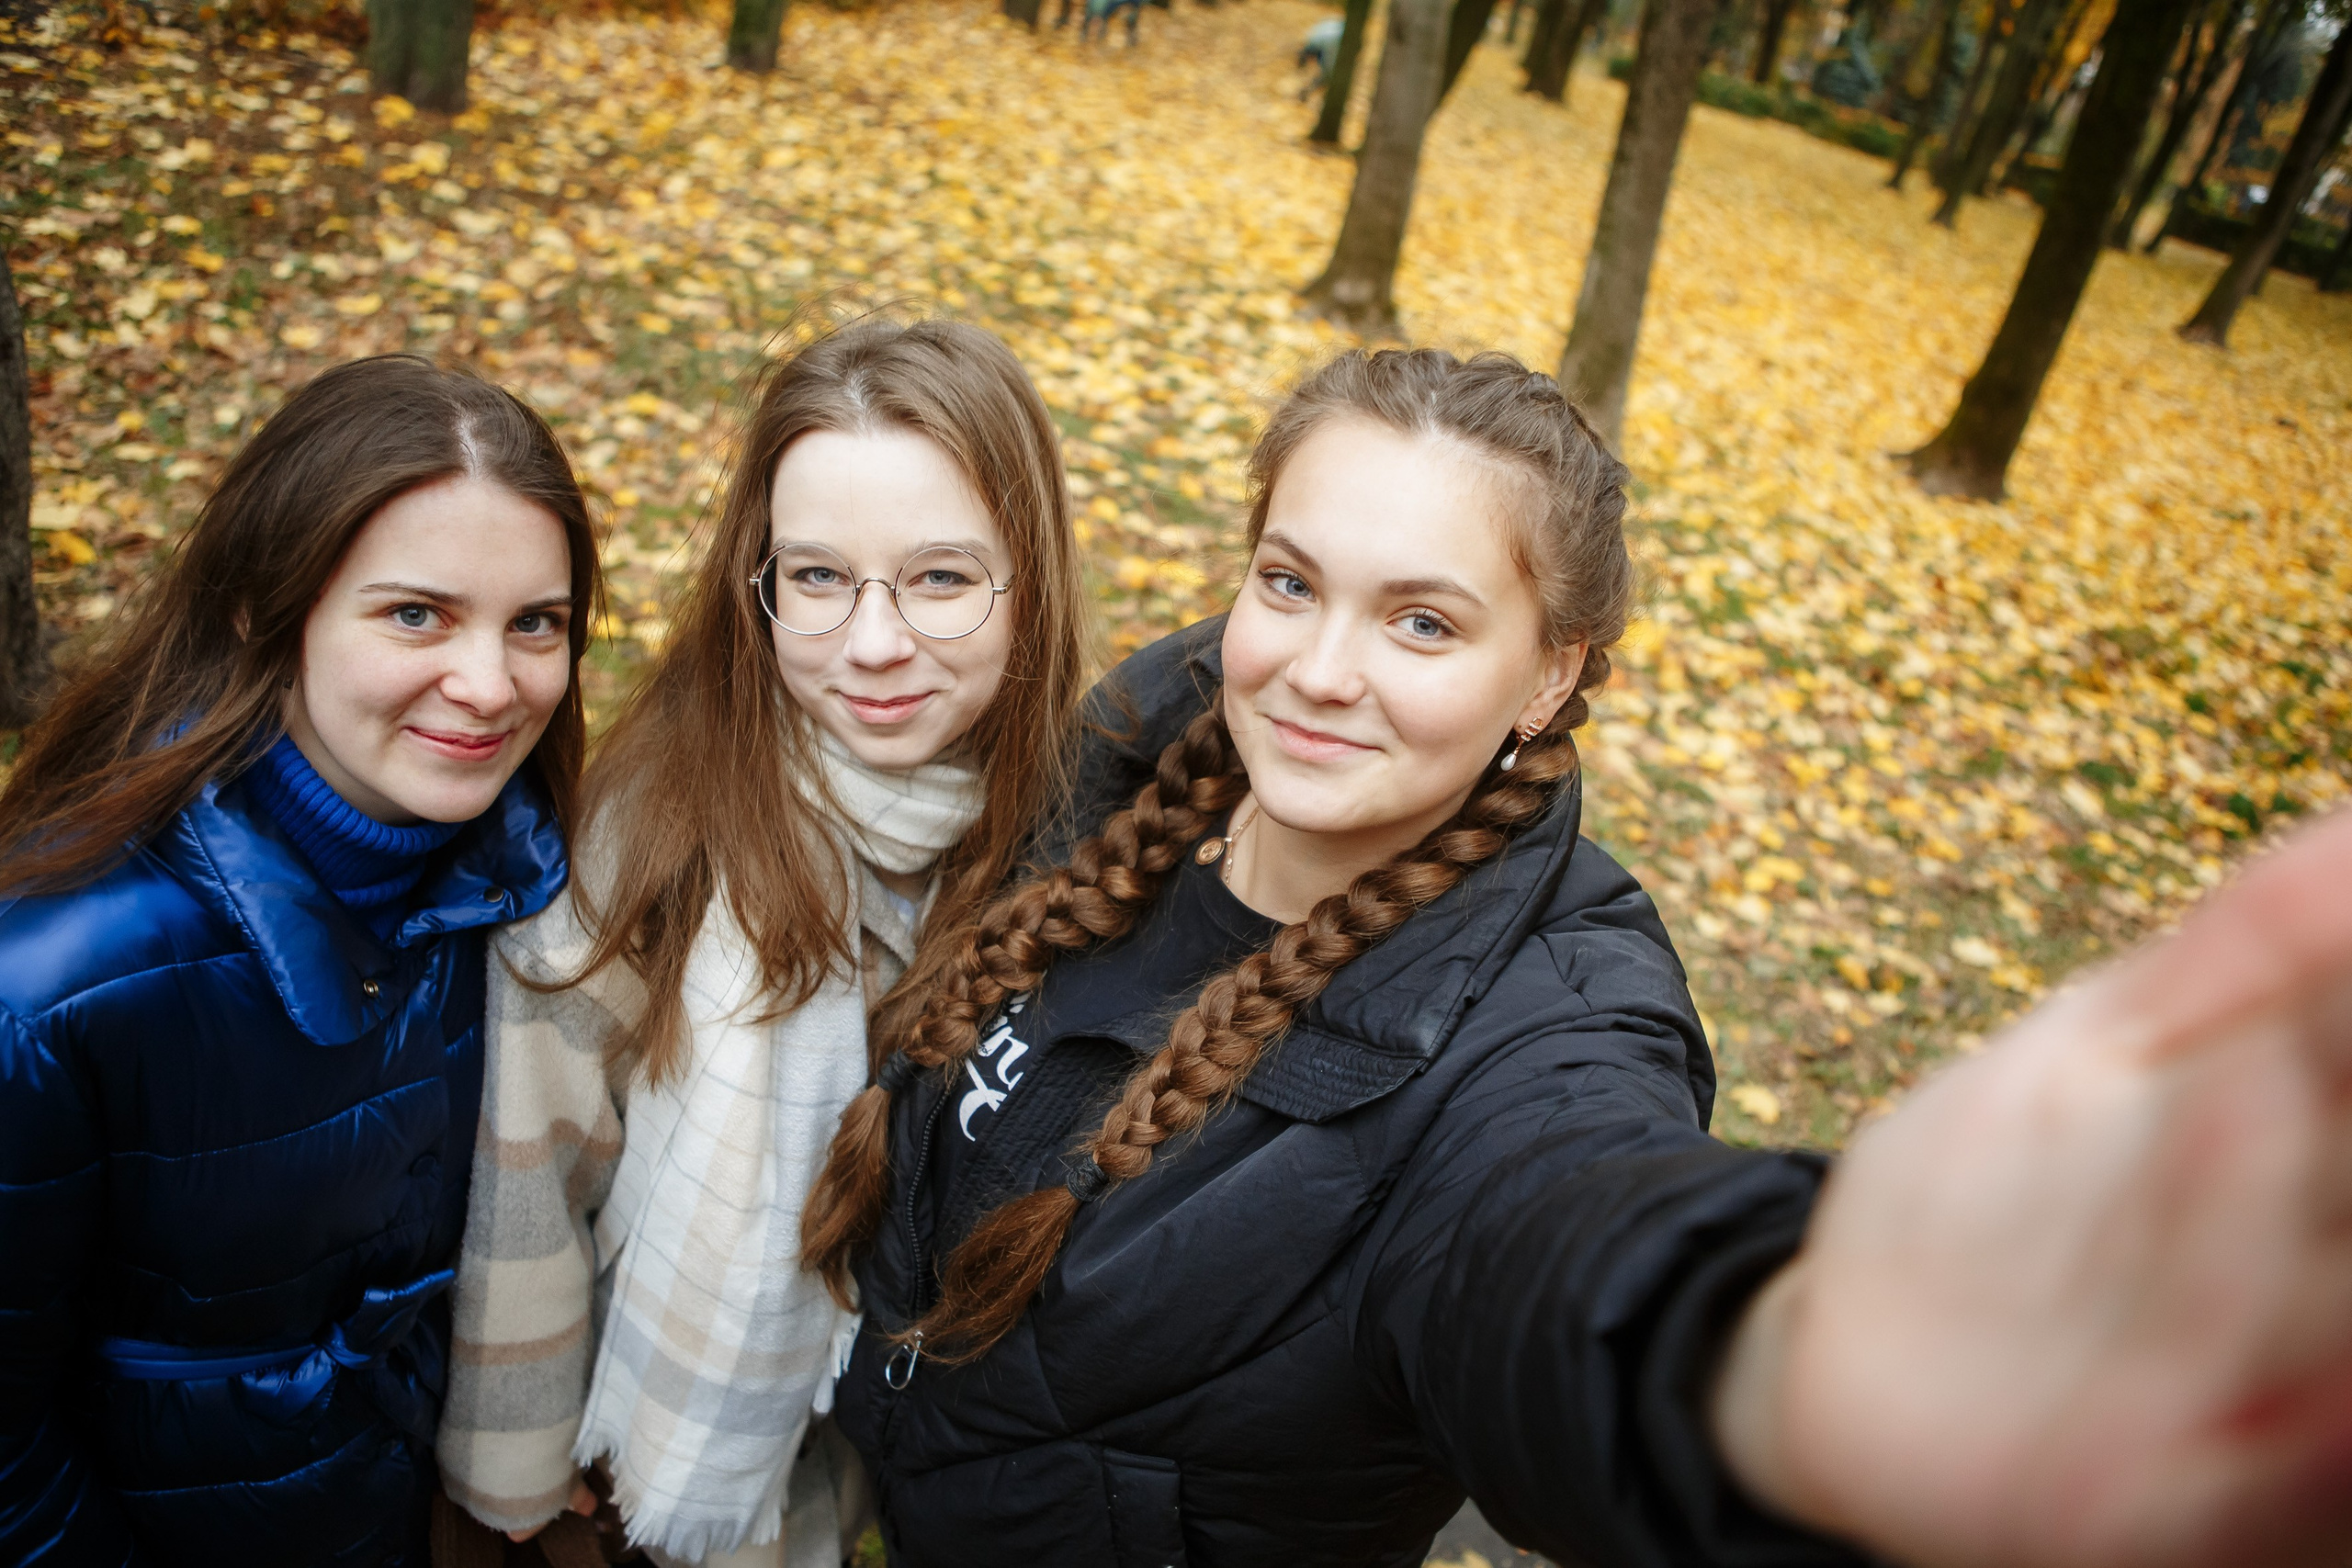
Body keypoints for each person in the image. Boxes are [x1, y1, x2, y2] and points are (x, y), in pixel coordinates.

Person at [799, 345, 2352, 1568]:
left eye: (1424, 624)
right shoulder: (1139, 748)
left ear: (1549, 677)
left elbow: (1557, 1246)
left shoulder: (1545, 1025)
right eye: (1291, 583)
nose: (1318, 673)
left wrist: (1794, 1361)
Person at [435, 318, 1091, 1568]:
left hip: (857, 1478)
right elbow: (531, 1162)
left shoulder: (1066, 842)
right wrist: (512, 1490)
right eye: (818, 578)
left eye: (942, 578)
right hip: (616, 1480)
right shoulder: (665, 827)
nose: (874, 643)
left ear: (1031, 581)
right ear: (761, 583)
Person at [0, 355, 601, 1567]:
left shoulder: (532, 895)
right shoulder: (54, 986)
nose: (491, 686)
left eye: (535, 622)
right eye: (415, 614)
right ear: (260, 609)